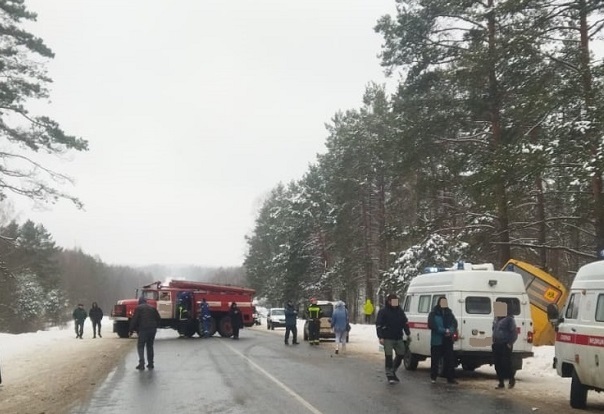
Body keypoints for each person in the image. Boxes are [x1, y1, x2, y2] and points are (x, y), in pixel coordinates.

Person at [376, 293, 411, 384]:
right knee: (389, 356)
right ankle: (389, 374)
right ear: (389, 302)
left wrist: (408, 333)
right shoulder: (383, 312)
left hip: (398, 336)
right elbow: (378, 325)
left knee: (401, 354)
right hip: (387, 337)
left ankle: (393, 370)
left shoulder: (400, 311)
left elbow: (405, 322)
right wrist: (380, 336)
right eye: (393, 301)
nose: (395, 303)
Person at [428, 296, 458, 384]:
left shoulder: (449, 313)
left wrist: (451, 331)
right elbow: (431, 325)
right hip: (437, 339)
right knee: (435, 359)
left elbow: (454, 323)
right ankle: (433, 377)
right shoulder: (433, 313)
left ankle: (450, 378)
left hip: (448, 339)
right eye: (442, 302)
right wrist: (443, 330)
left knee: (449, 359)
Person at [129, 296, 161, 370]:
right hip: (152, 329)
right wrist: (156, 326)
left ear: (139, 302)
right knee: (150, 346)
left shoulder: (138, 308)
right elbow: (158, 318)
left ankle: (141, 363)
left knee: (140, 346)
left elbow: (134, 320)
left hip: (143, 329)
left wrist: (131, 330)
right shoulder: (152, 308)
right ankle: (151, 363)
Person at [492, 301, 518, 389]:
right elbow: (494, 329)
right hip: (497, 344)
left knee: (506, 363)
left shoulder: (509, 319)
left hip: (505, 344)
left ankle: (511, 379)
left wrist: (510, 343)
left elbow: (514, 333)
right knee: (497, 364)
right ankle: (501, 382)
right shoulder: (496, 319)